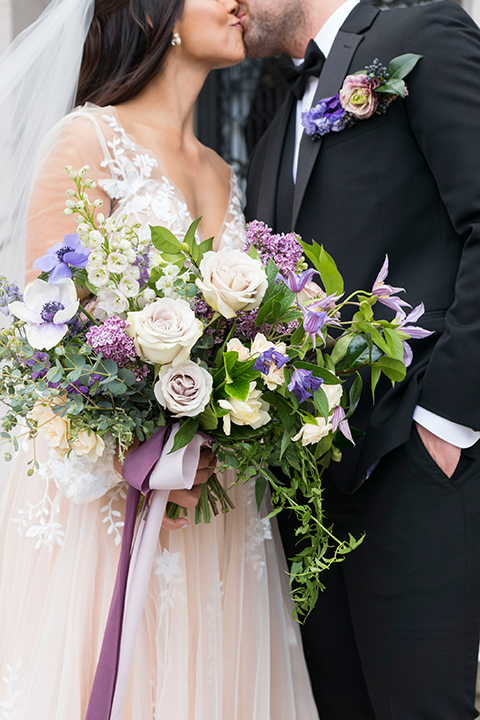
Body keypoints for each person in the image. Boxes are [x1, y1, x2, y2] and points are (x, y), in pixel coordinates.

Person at [0, 1, 320, 718]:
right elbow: (40, 348)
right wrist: (132, 459)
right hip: (110, 503)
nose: (241, 3)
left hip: (219, 510)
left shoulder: (223, 173)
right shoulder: (85, 141)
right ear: (158, 13)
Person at [242, 0, 480, 718]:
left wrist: (446, 425)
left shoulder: (419, 33)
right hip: (312, 496)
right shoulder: (277, 112)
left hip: (416, 465)